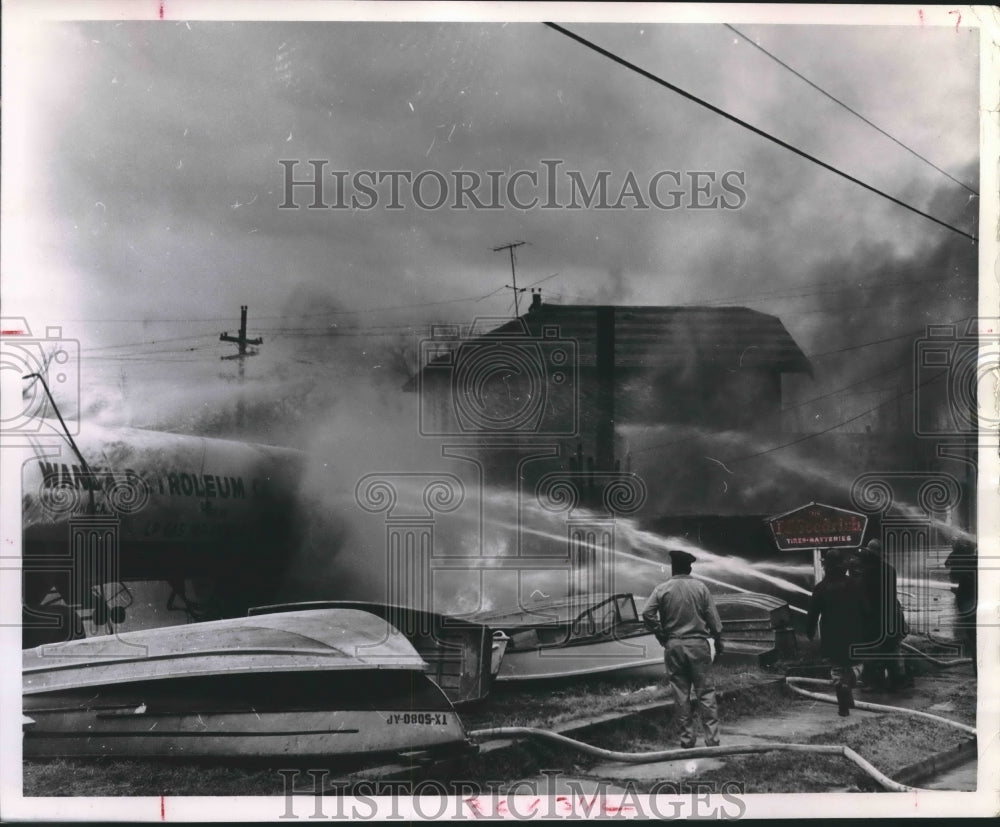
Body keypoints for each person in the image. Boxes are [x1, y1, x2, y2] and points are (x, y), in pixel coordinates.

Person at [642, 549, 724, 748]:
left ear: (673, 568)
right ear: (689, 567)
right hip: (698, 645)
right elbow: (713, 620)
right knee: (706, 693)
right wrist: (719, 640)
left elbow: (647, 613)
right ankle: (712, 740)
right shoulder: (701, 588)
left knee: (681, 693)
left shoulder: (661, 589)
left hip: (674, 645)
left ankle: (687, 740)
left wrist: (661, 633)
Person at [806, 548, 869, 716]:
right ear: (844, 566)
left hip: (832, 635)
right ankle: (848, 683)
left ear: (826, 566)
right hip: (854, 633)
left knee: (837, 668)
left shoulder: (821, 587)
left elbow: (812, 613)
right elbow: (866, 610)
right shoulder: (855, 584)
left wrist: (810, 631)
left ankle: (843, 703)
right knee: (856, 665)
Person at [857, 539, 908, 691]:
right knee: (893, 650)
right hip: (893, 617)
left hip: (877, 619)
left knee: (873, 650)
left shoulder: (868, 573)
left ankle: (875, 683)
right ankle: (899, 681)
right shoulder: (890, 570)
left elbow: (865, 598)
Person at [945, 536, 977, 674]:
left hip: (965, 595)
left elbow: (947, 564)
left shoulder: (958, 556)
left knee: (972, 635)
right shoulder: (973, 559)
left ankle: (977, 667)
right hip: (971, 595)